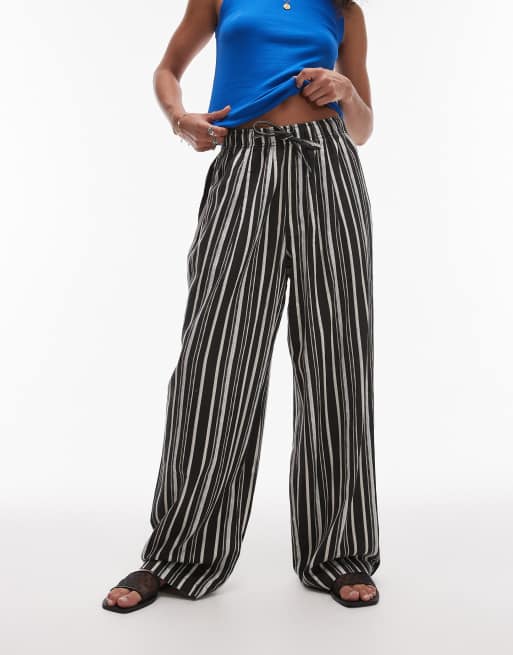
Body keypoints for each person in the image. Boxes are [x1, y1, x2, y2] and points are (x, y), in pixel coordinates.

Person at [102, 0, 380, 613]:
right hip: (244, 166)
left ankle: (340, 552)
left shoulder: (344, 10)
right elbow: (168, 69)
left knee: (336, 362)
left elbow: (362, 127)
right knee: (214, 362)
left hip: (327, 166)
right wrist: (180, 119)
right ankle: (181, 554)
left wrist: (344, 91)